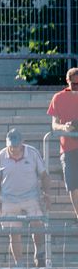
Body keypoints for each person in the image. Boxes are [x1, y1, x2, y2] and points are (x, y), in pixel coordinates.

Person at [0, 129, 51, 268]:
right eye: (11, 146)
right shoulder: (1, 155)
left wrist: (47, 194)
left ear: (22, 143)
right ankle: (19, 264)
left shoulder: (33, 153)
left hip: (31, 196)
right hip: (9, 198)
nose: (13, 149)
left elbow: (44, 175)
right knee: (14, 232)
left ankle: (39, 252)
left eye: (16, 146)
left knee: (37, 223)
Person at [49, 67, 78, 220]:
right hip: (68, 147)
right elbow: (54, 125)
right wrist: (64, 127)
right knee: (73, 185)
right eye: (74, 84)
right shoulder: (58, 98)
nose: (77, 87)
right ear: (67, 81)